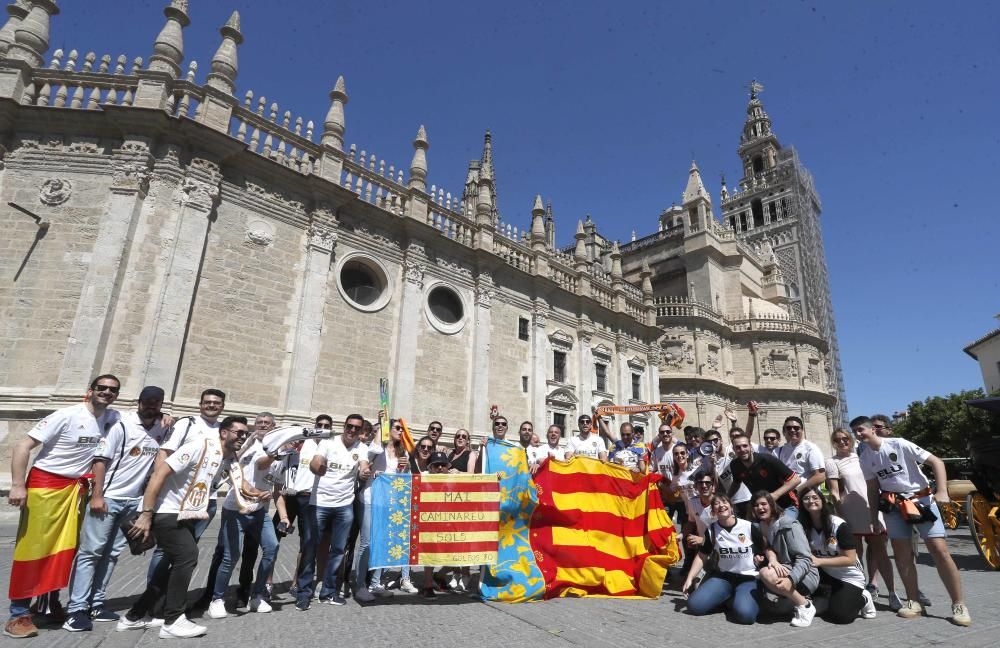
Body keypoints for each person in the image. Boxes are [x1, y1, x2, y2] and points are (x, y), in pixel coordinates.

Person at [5, 375, 122, 639]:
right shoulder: (66, 415)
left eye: (112, 390)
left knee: (64, 550)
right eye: (101, 388)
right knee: (33, 549)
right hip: (46, 487)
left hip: (75, 491)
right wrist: (17, 485)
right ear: (90, 390)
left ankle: (46, 602)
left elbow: (140, 420)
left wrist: (165, 417)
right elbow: (23, 445)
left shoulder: (112, 418)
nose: (106, 392)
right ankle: (18, 614)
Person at [118, 416, 250, 639]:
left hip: (185, 514)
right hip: (166, 511)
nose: (242, 437)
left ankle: (133, 616)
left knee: (169, 567)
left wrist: (255, 494)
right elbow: (159, 473)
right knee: (187, 557)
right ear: (224, 433)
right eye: (239, 433)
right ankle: (173, 620)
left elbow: (241, 484)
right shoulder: (199, 446)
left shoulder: (226, 457)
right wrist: (146, 514)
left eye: (245, 434)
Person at [63, 386, 168, 632]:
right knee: (91, 553)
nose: (151, 405)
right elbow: (100, 460)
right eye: (147, 401)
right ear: (139, 402)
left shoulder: (161, 428)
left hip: (133, 502)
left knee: (111, 555)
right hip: (109, 498)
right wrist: (97, 495)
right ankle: (76, 609)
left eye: (156, 402)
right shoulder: (122, 425)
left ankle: (97, 603)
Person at [853, 415, 971, 626]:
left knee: (939, 550)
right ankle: (914, 601)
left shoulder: (899, 444)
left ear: (872, 429)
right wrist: (874, 517)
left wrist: (942, 491)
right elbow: (872, 488)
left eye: (861, 429)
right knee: (901, 554)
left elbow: (936, 461)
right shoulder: (864, 458)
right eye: (855, 431)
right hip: (894, 506)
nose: (858, 434)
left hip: (921, 500)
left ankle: (959, 604)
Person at [206, 415, 281, 618]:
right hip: (236, 508)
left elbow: (274, 479)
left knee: (272, 547)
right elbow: (260, 463)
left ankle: (257, 596)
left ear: (274, 427)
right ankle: (217, 598)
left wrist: (282, 515)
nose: (262, 426)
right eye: (259, 423)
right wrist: (253, 442)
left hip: (259, 510)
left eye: (267, 423)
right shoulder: (246, 444)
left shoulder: (277, 450)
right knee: (231, 556)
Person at [296, 415, 370, 611]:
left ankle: (328, 592)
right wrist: (316, 467)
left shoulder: (361, 448)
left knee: (338, 550)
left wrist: (364, 472)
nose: (352, 430)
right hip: (319, 503)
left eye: (356, 428)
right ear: (344, 426)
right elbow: (316, 461)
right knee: (310, 548)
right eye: (349, 426)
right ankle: (303, 593)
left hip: (344, 506)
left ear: (360, 430)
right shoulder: (329, 443)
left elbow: (363, 466)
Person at [826, 427, 898, 610]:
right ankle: (859, 592)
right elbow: (834, 492)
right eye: (837, 440)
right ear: (833, 443)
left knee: (880, 551)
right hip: (851, 512)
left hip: (872, 508)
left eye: (845, 439)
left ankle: (892, 593)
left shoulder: (863, 457)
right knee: (855, 556)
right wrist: (841, 516)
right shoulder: (832, 462)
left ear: (850, 440)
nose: (842, 442)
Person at [682, 494, 764, 625]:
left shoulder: (749, 527)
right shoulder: (712, 529)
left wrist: (760, 559)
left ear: (731, 507)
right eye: (716, 504)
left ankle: (745, 599)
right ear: (713, 511)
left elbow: (764, 551)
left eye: (724, 502)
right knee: (694, 606)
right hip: (724, 577)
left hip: (748, 578)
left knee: (746, 616)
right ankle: (729, 598)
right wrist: (690, 578)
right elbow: (702, 555)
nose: (721, 505)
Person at [798, 486, 875, 623]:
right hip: (826, 575)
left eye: (815, 497)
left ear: (822, 500)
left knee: (841, 616)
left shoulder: (838, 525)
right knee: (820, 610)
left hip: (849, 576)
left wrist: (820, 561)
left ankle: (864, 597)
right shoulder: (803, 526)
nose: (811, 501)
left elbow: (850, 559)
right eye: (806, 498)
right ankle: (830, 596)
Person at [751, 491, 819, 627]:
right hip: (786, 568)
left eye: (764, 504)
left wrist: (791, 579)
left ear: (772, 505)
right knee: (778, 610)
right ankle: (795, 599)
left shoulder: (789, 525)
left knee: (766, 573)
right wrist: (772, 559)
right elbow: (769, 548)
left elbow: (805, 559)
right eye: (756, 505)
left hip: (805, 575)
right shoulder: (765, 525)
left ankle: (805, 606)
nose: (760, 508)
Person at [368, 419, 417, 595]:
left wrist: (403, 470)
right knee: (380, 538)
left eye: (403, 429)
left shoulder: (403, 452)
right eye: (398, 428)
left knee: (403, 538)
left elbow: (405, 479)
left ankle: (405, 578)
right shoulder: (378, 450)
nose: (401, 431)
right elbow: (368, 467)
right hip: (379, 499)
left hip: (397, 500)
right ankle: (375, 581)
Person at [728, 432, 801, 518]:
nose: (742, 449)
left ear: (750, 446)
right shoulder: (735, 465)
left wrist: (774, 495)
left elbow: (796, 479)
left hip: (786, 506)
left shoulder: (767, 459)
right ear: (733, 449)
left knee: (785, 525)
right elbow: (736, 483)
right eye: (738, 447)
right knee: (754, 528)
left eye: (745, 446)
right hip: (762, 509)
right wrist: (726, 498)